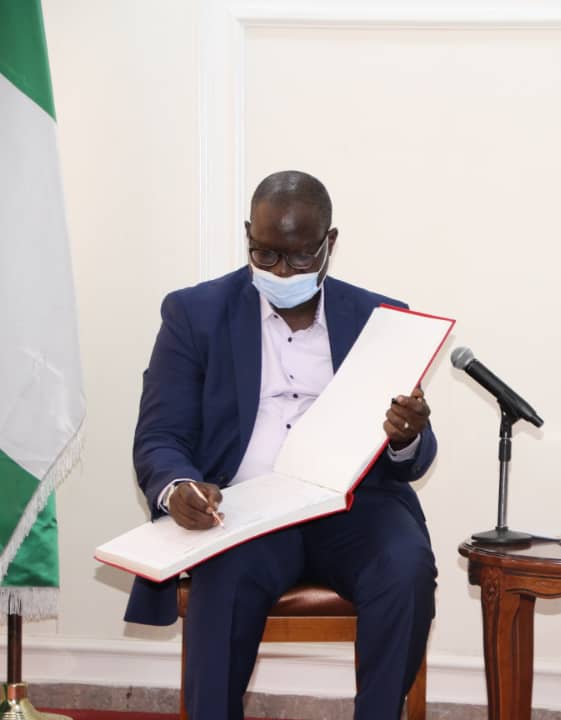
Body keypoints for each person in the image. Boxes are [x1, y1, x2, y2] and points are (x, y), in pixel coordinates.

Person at [124, 170, 437, 720]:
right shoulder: (195, 314)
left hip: (356, 505)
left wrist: (406, 436)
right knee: (222, 579)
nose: (281, 271)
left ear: (329, 243)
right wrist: (177, 488)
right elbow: (160, 433)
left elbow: (416, 450)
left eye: (298, 257)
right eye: (264, 254)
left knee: (405, 566)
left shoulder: (380, 319)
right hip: (244, 507)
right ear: (248, 234)